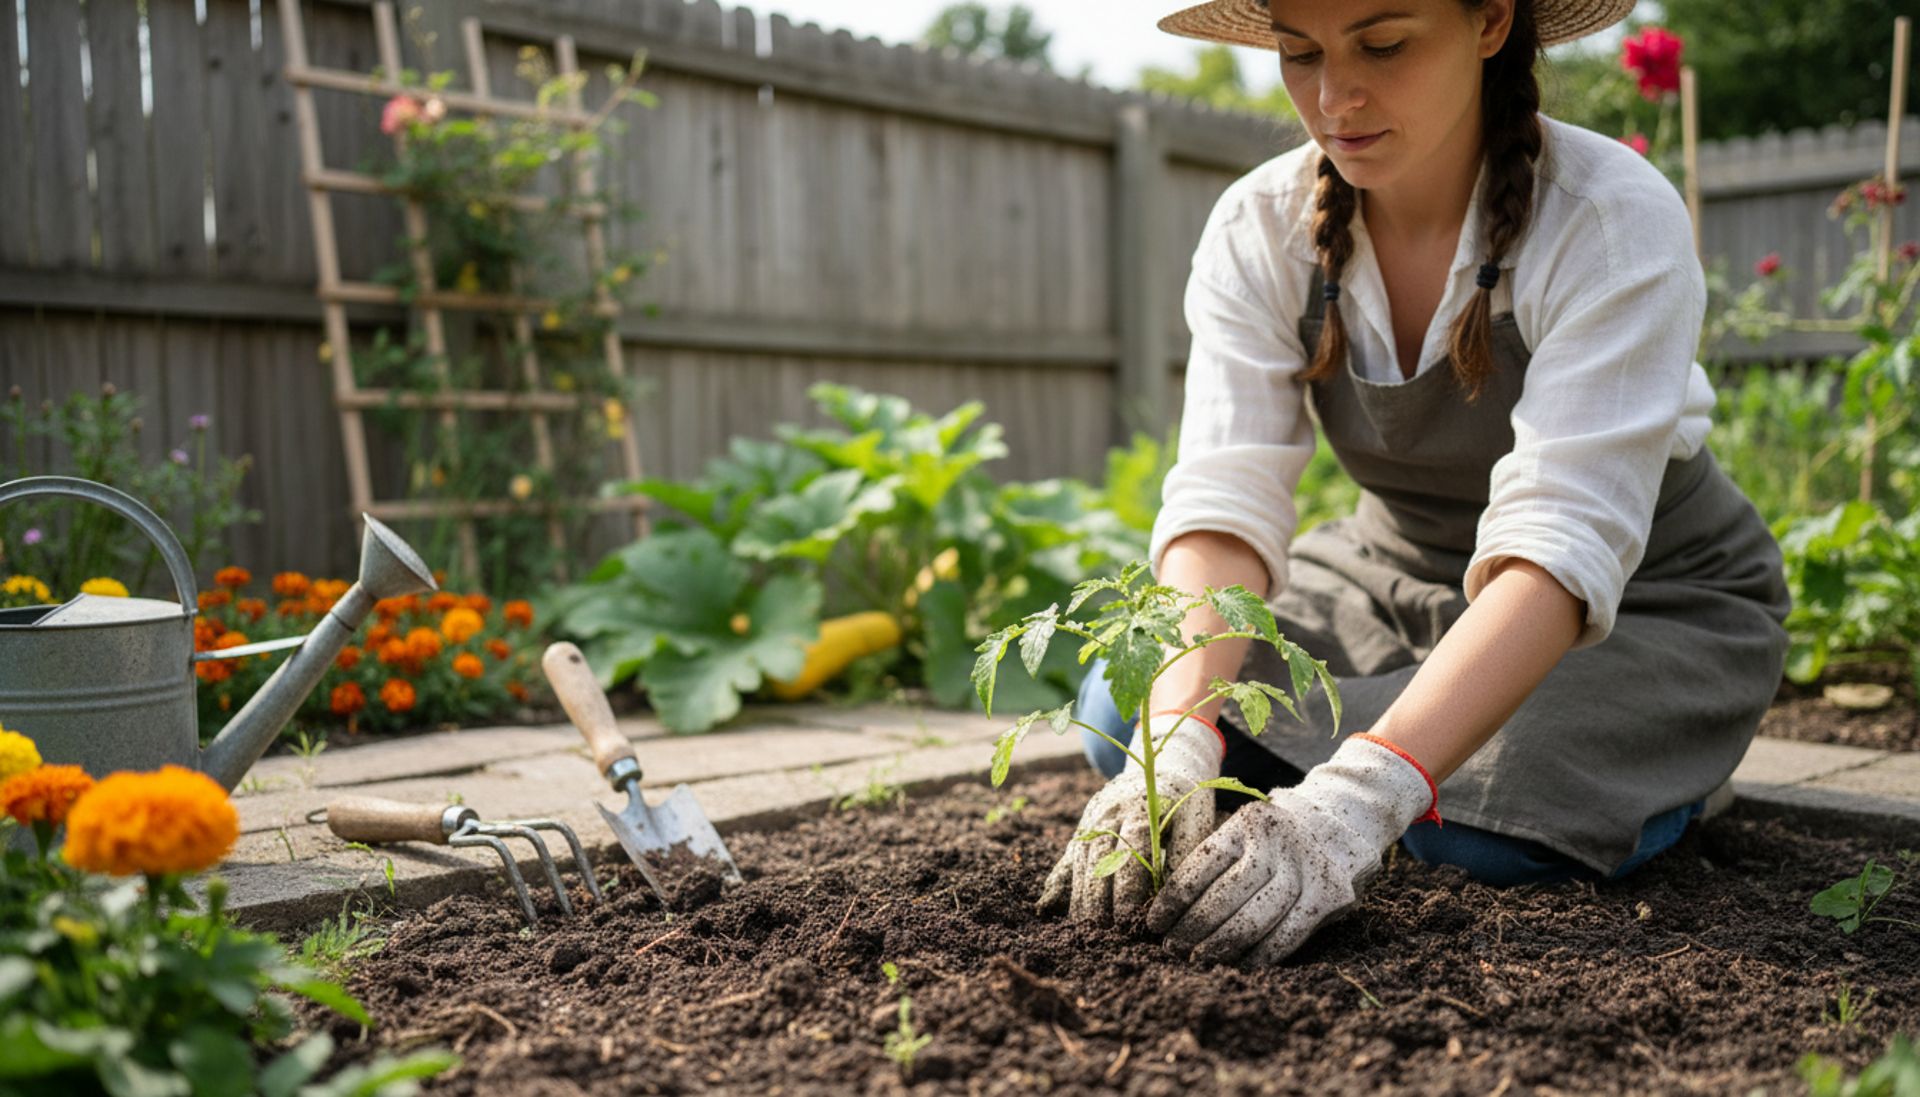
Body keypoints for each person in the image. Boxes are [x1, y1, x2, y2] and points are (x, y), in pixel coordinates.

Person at [1047, 0, 1791, 968]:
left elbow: (1556, 552)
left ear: (1489, 22)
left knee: (1482, 832)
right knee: (1126, 716)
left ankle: (1660, 770)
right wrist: (1182, 732)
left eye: (1384, 44)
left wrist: (1359, 798)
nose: (1333, 97)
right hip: (1385, 574)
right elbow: (1225, 506)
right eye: (1300, 52)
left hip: (1639, 598)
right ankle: (1381, 752)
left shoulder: (1610, 221)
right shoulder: (1260, 229)